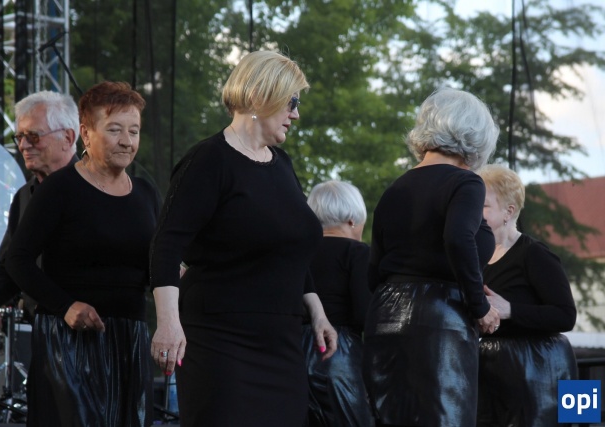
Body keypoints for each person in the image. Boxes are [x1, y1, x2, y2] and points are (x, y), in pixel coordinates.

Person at [149, 50, 338, 427]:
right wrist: (168, 322)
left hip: (281, 344)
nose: (296, 114)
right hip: (220, 341)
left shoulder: (282, 165)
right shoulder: (209, 159)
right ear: (259, 96)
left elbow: (290, 250)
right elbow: (166, 245)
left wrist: (318, 313)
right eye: (291, 102)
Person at [5, 81, 159, 426]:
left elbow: (154, 267)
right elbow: (17, 260)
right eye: (115, 130)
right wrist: (66, 306)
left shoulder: (146, 194)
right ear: (86, 134)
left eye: (134, 131)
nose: (127, 141)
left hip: (130, 342)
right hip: (69, 343)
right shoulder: (59, 189)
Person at [363, 87, 502, 427]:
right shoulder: (465, 183)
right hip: (440, 317)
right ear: (476, 135)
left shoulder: (395, 188)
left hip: (385, 315)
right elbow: (457, 238)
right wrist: (479, 305)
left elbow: (373, 270)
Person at [476, 164, 577, 427]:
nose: (474, 211)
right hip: (493, 380)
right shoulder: (475, 258)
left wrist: (510, 309)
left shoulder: (535, 253)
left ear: (508, 211)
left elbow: (567, 316)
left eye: (483, 205)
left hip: (544, 375)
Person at [0, 90, 80, 316]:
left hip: (89, 326)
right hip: (40, 328)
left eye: (33, 136)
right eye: (19, 137)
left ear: (68, 138)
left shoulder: (94, 188)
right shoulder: (25, 196)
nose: (23, 145)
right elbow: (9, 274)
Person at [304, 180, 374, 427]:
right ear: (352, 220)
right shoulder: (358, 252)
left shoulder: (299, 253)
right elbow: (364, 314)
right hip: (339, 352)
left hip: (294, 349)